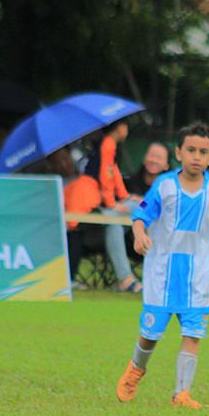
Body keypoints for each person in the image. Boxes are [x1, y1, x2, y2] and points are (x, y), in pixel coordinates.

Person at [115, 123, 209, 408]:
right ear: (179, 152)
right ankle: (135, 369)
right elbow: (141, 214)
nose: (196, 156)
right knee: (150, 335)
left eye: (203, 152)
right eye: (190, 150)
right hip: (162, 272)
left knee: (193, 334)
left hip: (198, 274)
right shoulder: (165, 185)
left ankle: (182, 394)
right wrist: (140, 233)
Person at [86, 119, 141, 293]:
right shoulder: (108, 144)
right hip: (99, 204)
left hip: (116, 203)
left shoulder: (110, 145)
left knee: (144, 204)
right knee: (114, 219)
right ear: (121, 127)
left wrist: (125, 196)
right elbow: (105, 176)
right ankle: (126, 279)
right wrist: (112, 203)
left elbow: (114, 173)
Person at [47, 147, 101, 289]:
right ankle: (67, 279)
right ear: (52, 166)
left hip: (89, 228)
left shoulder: (87, 179)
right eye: (58, 163)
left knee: (78, 231)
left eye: (65, 159)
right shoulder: (53, 185)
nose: (64, 165)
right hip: (63, 230)